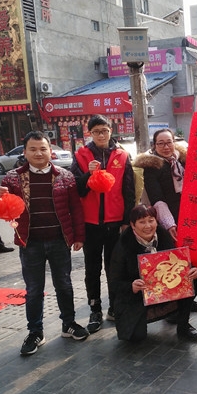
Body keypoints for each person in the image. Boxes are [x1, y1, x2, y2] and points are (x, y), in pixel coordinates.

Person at [0, 131, 89, 355]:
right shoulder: (13, 178)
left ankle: (68, 324)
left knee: (64, 284)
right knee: (34, 289)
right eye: (33, 149)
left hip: (59, 240)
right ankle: (35, 332)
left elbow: (75, 208)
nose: (38, 153)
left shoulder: (65, 176)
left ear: (50, 151)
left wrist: (79, 236)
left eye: (43, 149)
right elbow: (0, 207)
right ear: (25, 152)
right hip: (30, 243)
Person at [70, 115, 135, 333]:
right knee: (92, 268)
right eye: (96, 131)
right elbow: (76, 189)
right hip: (90, 223)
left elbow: (129, 190)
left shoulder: (122, 155)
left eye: (104, 130)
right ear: (90, 133)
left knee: (114, 267)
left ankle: (115, 307)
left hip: (115, 223)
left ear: (110, 131)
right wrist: (88, 174)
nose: (101, 135)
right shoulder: (81, 155)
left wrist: (126, 221)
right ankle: (95, 308)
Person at [108, 204, 197, 342]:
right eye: (142, 222)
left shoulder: (163, 235)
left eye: (151, 220)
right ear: (133, 225)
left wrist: (191, 269)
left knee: (190, 279)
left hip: (162, 290)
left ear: (156, 221)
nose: (148, 226)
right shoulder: (123, 244)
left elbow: (177, 262)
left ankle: (183, 325)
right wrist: (131, 286)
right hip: (137, 297)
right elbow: (114, 283)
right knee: (136, 337)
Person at [134, 128, 197, 312]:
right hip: (166, 219)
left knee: (190, 258)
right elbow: (157, 198)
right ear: (154, 146)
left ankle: (188, 298)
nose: (166, 147)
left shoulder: (183, 160)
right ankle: (173, 304)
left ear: (174, 142)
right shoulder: (152, 166)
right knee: (171, 260)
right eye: (161, 143)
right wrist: (169, 223)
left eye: (169, 142)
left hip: (188, 216)